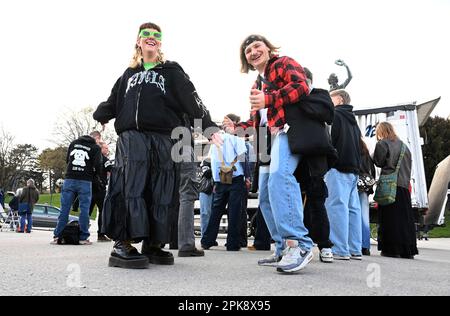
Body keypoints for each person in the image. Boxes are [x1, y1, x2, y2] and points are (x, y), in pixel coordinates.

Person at [93, 22, 219, 269]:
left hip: (163, 137)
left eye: (156, 35)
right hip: (133, 137)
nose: (151, 37)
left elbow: (192, 100)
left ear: (160, 43)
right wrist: (101, 114)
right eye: (146, 35)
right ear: (138, 42)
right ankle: (123, 243)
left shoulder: (171, 71)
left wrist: (209, 128)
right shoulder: (128, 75)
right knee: (132, 185)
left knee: (160, 190)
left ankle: (153, 243)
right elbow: (113, 101)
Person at [223, 34, 313, 273]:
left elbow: (302, 86)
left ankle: (300, 244)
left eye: (256, 46)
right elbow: (257, 122)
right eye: (248, 50)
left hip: (286, 131)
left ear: (268, 48)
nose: (253, 52)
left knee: (280, 180)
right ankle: (282, 246)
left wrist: (269, 98)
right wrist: (237, 128)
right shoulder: (256, 84)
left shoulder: (283, 63)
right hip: (266, 142)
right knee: (264, 196)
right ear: (246, 60)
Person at [292, 67, 337, 263]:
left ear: (308, 81)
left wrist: (298, 98)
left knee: (317, 203)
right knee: (294, 205)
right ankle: (298, 244)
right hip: (294, 158)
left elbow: (326, 113)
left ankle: (325, 245)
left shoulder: (320, 95)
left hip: (315, 160)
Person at [325, 89, 363, 260]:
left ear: (339, 99)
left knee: (336, 208)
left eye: (330, 98)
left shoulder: (335, 116)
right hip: (354, 170)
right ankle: (355, 249)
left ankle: (340, 249)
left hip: (338, 167)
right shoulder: (353, 120)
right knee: (353, 210)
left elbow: (330, 141)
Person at [373, 122, 418, 259]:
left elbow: (379, 162)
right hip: (404, 187)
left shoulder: (383, 144)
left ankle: (392, 249)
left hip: (390, 185)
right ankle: (407, 250)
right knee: (405, 219)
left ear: (381, 132)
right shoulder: (405, 146)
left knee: (390, 218)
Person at [201, 129, 247, 251]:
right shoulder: (236, 139)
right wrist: (248, 176)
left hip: (221, 178)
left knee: (216, 210)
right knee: (234, 211)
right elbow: (243, 158)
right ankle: (232, 244)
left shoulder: (215, 142)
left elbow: (214, 163)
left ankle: (207, 240)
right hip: (236, 177)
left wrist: (216, 181)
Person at [53, 135, 102, 244]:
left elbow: (68, 160)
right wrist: (94, 174)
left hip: (69, 178)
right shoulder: (95, 148)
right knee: (84, 209)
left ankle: (57, 236)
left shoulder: (74, 143)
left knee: (64, 208)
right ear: (94, 139)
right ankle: (83, 238)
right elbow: (98, 165)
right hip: (85, 180)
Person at [90, 140, 113, 242]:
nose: (107, 150)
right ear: (101, 149)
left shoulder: (90, 158)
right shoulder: (105, 159)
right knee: (102, 212)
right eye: (106, 148)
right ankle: (101, 235)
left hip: (90, 188)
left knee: (86, 212)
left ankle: (81, 233)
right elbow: (111, 170)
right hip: (100, 188)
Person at [358, 138, 376, 256]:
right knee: (365, 217)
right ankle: (365, 246)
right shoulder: (366, 153)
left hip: (354, 184)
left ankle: (355, 243)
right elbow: (372, 172)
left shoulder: (352, 149)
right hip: (365, 188)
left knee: (352, 215)